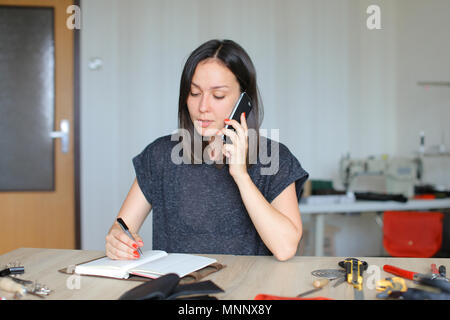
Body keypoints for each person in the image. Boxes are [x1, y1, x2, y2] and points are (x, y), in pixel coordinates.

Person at [105, 39, 309, 261]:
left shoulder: (274, 158)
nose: (202, 107)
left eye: (218, 95)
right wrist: (117, 239)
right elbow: (121, 227)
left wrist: (240, 175)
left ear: (244, 99)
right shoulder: (160, 155)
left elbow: (286, 248)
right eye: (194, 93)